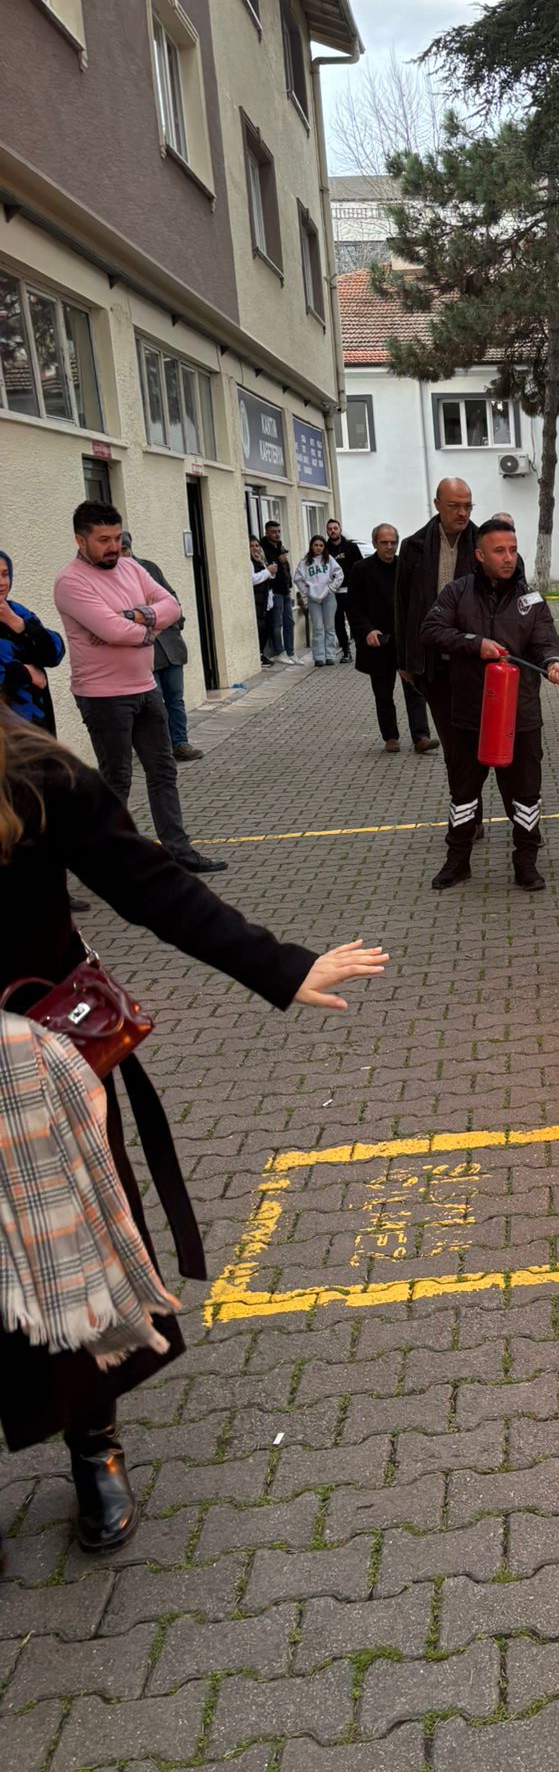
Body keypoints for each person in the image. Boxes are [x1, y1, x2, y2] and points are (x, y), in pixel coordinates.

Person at [0, 713, 386, 1552]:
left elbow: (151, 886)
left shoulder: (35, 771)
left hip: (36, 1068)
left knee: (76, 1254)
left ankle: (92, 1444)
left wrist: (279, 966)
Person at [53, 503, 225, 876]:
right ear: (80, 540)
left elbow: (173, 606)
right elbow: (112, 631)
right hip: (102, 695)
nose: (113, 546)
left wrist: (133, 618)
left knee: (163, 771)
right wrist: (148, 627)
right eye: (103, 540)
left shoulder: (131, 567)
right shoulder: (71, 582)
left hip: (146, 688)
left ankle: (179, 851)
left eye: (116, 537)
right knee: (117, 778)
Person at [420, 518, 559, 891]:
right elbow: (431, 631)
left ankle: (526, 863)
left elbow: (547, 639)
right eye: (499, 551)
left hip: (521, 716)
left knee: (525, 794)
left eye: (513, 550)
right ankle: (457, 862)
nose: (508, 557)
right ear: (480, 554)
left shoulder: (529, 598)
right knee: (464, 794)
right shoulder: (457, 592)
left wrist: (553, 663)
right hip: (471, 715)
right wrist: (475, 643)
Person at [396, 479, 479, 754]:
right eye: (454, 506)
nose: (462, 513)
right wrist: (404, 659)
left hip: (471, 656)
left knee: (470, 736)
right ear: (437, 505)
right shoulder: (414, 546)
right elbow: (402, 605)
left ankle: (466, 788)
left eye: (467, 506)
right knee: (450, 737)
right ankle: (461, 790)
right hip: (431, 658)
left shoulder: (482, 543)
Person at [346, 525, 437, 756]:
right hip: (377, 641)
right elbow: (353, 606)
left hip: (404, 639)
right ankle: (391, 737)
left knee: (414, 689)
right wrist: (367, 630)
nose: (389, 547)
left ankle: (421, 737)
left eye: (393, 542)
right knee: (383, 693)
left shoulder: (404, 567)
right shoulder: (361, 569)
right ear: (375, 543)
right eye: (384, 543)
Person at [119, 534, 199, 763]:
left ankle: (180, 743)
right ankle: (161, 749)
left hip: (170, 646)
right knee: (155, 703)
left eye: (126, 549)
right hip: (145, 649)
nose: (123, 554)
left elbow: (170, 598)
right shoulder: (112, 579)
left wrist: (176, 621)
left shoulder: (148, 568)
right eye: (120, 549)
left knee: (175, 698)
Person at [0, 549, 64, 733]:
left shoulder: (17, 611)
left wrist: (18, 624)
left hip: (36, 726)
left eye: (5, 574)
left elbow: (54, 653)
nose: (2, 582)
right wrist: (25, 673)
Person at [294, 535, 345, 665]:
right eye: (316, 545)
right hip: (313, 599)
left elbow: (339, 574)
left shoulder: (329, 560)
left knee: (329, 627)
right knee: (317, 628)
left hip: (328, 597)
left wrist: (332, 588)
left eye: (321, 545)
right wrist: (307, 592)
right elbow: (298, 578)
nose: (318, 548)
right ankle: (319, 657)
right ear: (311, 546)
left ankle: (330, 655)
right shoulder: (304, 562)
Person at [323, 518, 362, 664]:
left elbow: (360, 568)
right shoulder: (325, 549)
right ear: (327, 531)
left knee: (355, 622)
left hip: (350, 591)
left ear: (340, 529)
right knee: (338, 623)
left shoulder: (351, 547)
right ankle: (346, 651)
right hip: (333, 592)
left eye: (335, 528)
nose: (332, 531)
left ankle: (361, 649)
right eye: (330, 529)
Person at [260, 521, 295, 664]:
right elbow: (270, 570)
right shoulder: (264, 549)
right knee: (277, 624)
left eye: (279, 531)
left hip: (285, 589)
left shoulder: (281, 546)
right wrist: (280, 562)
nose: (277, 534)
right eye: (273, 532)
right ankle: (279, 651)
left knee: (289, 622)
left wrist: (290, 583)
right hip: (274, 592)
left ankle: (290, 652)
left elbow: (286, 566)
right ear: (267, 532)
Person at [250, 538, 275, 667]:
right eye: (252, 546)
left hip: (265, 602)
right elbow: (252, 580)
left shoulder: (260, 561)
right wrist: (267, 572)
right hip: (256, 601)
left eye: (257, 545)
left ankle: (261, 654)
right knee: (260, 629)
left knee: (267, 628)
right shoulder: (250, 563)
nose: (255, 548)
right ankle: (258, 655)